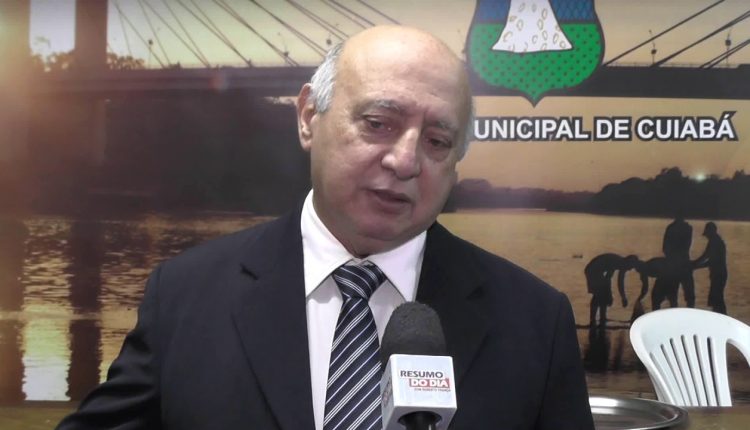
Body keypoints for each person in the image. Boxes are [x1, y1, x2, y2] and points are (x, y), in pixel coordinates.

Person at [56, 26, 593, 430]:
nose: (405, 162)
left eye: (436, 142)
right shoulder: (185, 295)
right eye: (378, 124)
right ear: (309, 116)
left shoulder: (534, 322)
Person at [584, 253, 640, 327]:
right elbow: (609, 280)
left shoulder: (622, 264)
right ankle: (595, 320)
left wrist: (623, 297)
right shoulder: (617, 262)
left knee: (601, 294)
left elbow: (619, 282)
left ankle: (601, 318)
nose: (630, 269)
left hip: (594, 270)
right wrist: (610, 295)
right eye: (631, 266)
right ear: (628, 262)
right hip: (592, 270)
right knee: (599, 294)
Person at [693, 222, 728, 314]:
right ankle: (720, 316)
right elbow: (706, 256)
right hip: (718, 274)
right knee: (716, 298)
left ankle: (722, 316)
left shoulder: (716, 242)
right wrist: (694, 264)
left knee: (717, 299)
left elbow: (710, 260)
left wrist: (694, 265)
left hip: (719, 275)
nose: (707, 236)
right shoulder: (715, 241)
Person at [662, 216, 695, 307]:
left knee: (674, 295)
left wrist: (671, 259)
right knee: (687, 296)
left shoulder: (671, 228)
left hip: (676, 265)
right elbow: (686, 246)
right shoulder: (687, 228)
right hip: (683, 264)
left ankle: (676, 311)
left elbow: (665, 248)